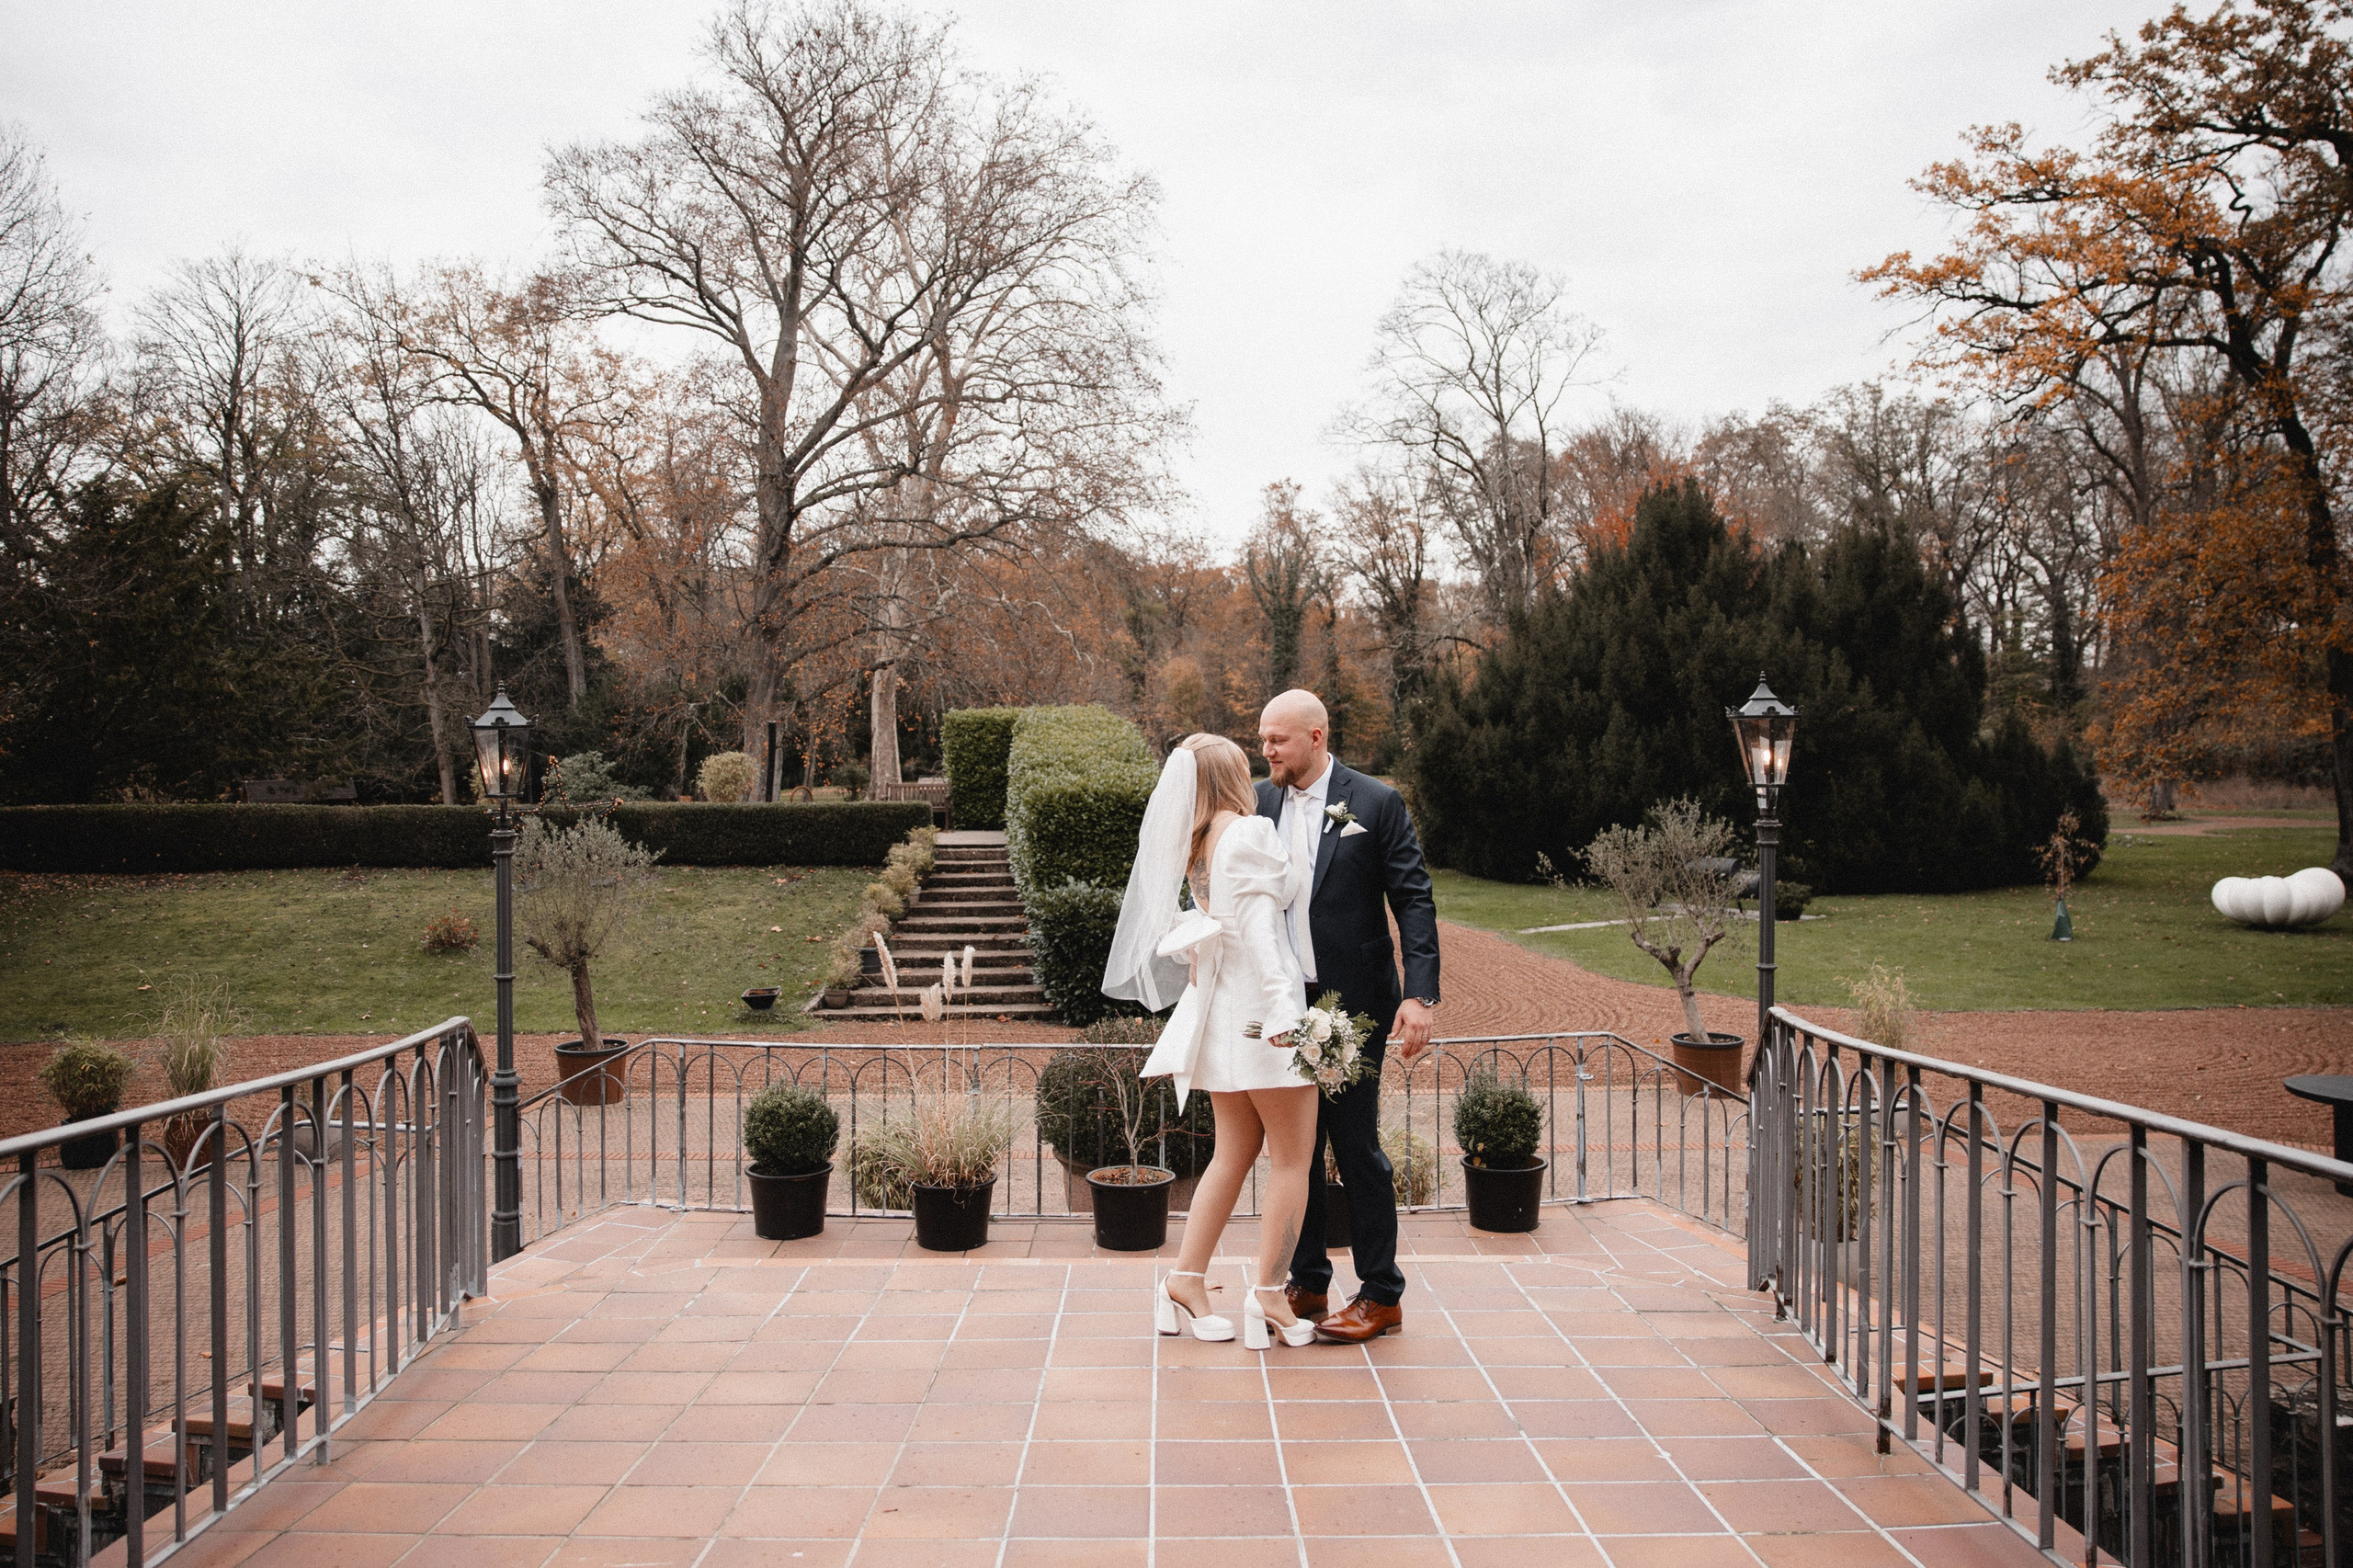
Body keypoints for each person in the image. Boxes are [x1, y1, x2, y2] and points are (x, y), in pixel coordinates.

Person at [1103, 733, 1322, 1350]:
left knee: (1233, 1154)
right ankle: (1270, 1296)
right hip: (1263, 1020)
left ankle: (1185, 1281)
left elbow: (1203, 926)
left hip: (1221, 1021)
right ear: (1231, 773)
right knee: (1292, 1160)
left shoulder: (1197, 845)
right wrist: (1287, 1014)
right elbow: (1257, 934)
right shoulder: (1245, 834)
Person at [1257, 688, 1440, 1343]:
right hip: (1282, 1004)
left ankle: (1382, 1293)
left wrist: (1419, 996)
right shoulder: (1260, 801)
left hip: (1352, 1004)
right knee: (1294, 1150)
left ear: (1316, 736)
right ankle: (1307, 1282)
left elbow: (1414, 901)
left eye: (1277, 739)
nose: (1268, 750)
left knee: (1355, 1148)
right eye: (1262, 739)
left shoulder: (1375, 802)